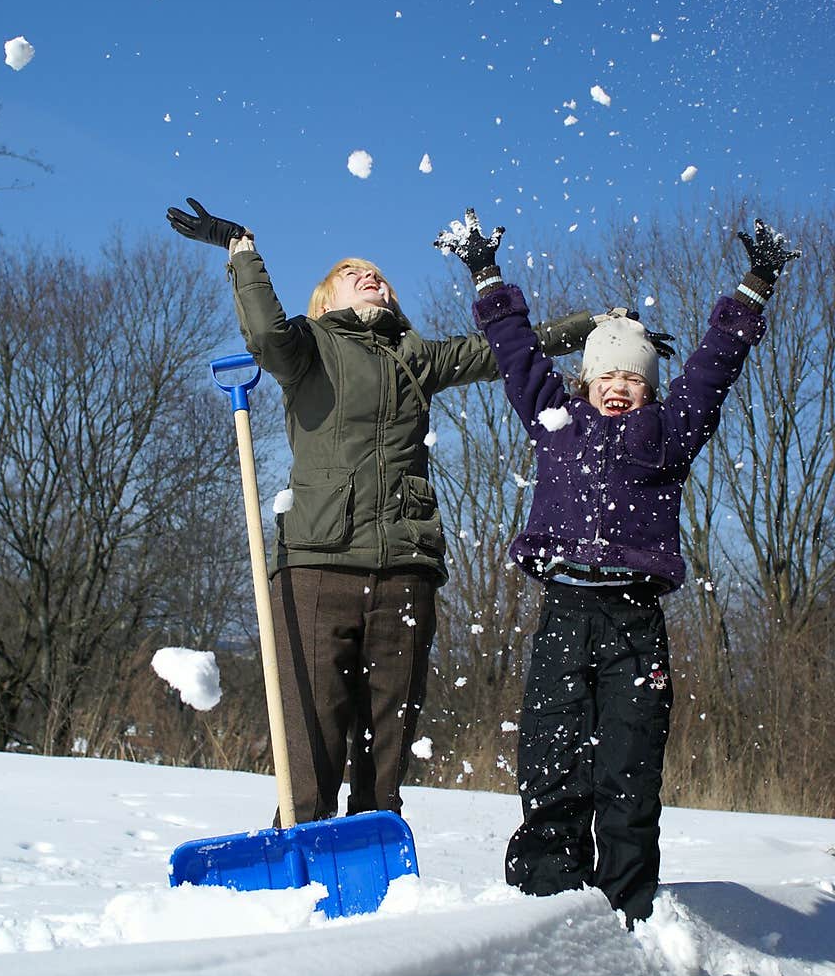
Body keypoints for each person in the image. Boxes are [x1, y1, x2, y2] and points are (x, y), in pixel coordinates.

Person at [166, 196, 616, 826]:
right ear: (325, 300)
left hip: (406, 565)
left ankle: (376, 859)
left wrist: (595, 327)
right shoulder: (306, 346)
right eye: (354, 272)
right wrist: (240, 246)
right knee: (313, 735)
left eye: (379, 273)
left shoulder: (416, 356)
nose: (372, 275)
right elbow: (264, 334)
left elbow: (507, 352)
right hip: (319, 565)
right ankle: (301, 851)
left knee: (388, 741)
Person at [435, 209, 800, 927]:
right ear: (585, 378)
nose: (617, 383)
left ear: (648, 386)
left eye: (632, 375)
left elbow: (714, 364)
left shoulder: (670, 430)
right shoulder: (555, 420)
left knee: (628, 773)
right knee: (552, 760)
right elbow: (514, 352)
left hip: (635, 621)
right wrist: (485, 274)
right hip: (565, 614)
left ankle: (628, 909)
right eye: (604, 372)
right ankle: (545, 902)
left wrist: (755, 286)